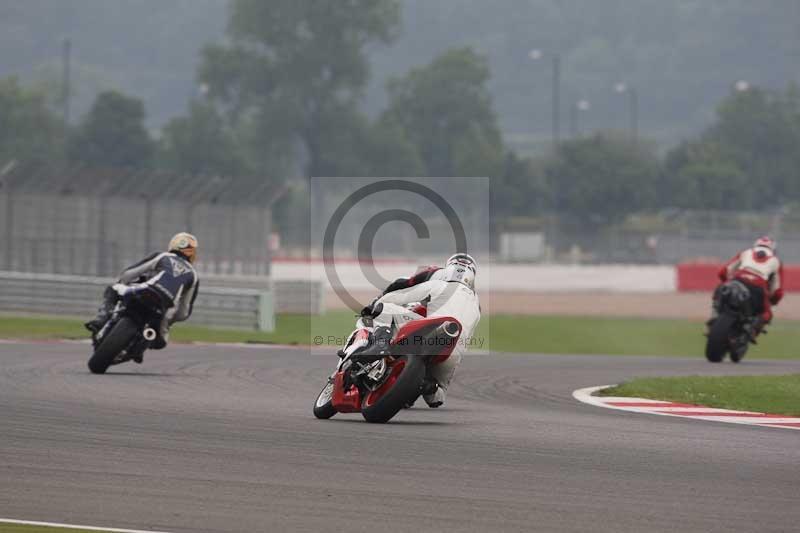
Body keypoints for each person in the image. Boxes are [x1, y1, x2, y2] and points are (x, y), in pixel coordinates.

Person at [360, 253, 481, 408]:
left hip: (429, 327)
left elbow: (402, 292)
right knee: (437, 397)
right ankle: (426, 385)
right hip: (453, 350)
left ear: (449, 267)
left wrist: (376, 303)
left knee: (385, 309)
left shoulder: (439, 283)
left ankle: (381, 344)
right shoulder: (476, 307)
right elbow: (468, 337)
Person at [85, 232, 200, 361]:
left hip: (145, 290)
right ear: (192, 252)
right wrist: (169, 321)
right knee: (160, 342)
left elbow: (129, 273)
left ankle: (101, 319)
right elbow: (183, 312)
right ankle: (140, 347)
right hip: (163, 306)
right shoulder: (193, 275)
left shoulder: (162, 256)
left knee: (112, 290)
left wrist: (122, 283)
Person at [710, 236, 784, 337]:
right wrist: (773, 301)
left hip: (737, 281)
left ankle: (714, 318)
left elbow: (723, 272)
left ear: (755, 245)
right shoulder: (776, 261)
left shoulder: (746, 252)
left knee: (720, 290)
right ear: (773, 250)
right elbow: (777, 292)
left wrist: (727, 283)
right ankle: (751, 332)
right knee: (767, 314)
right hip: (758, 288)